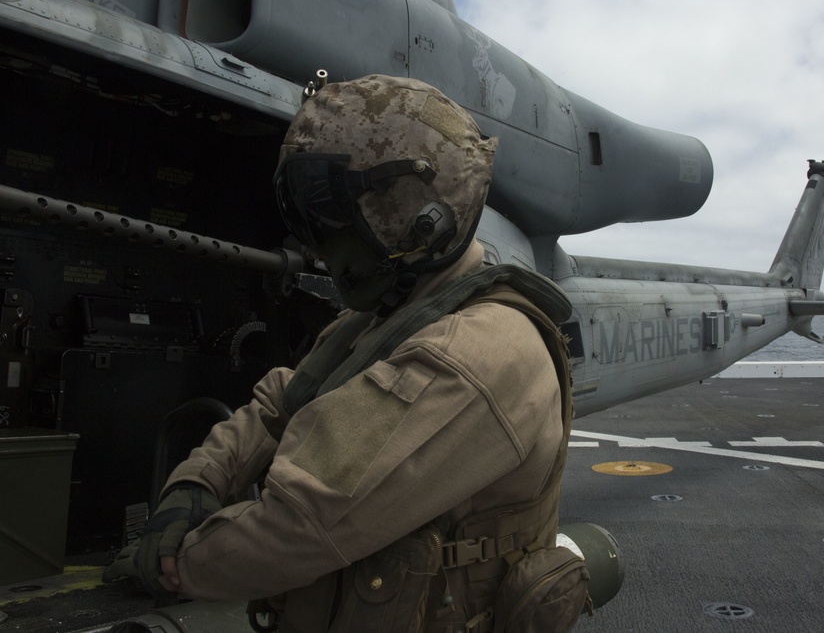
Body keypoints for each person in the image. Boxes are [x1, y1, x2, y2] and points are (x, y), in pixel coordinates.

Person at [125, 75, 583, 631]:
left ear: (420, 217)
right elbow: (279, 403)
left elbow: (300, 525)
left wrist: (177, 564)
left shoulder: (475, 355)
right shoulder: (381, 319)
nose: (322, 245)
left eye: (338, 219)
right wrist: (196, 484)